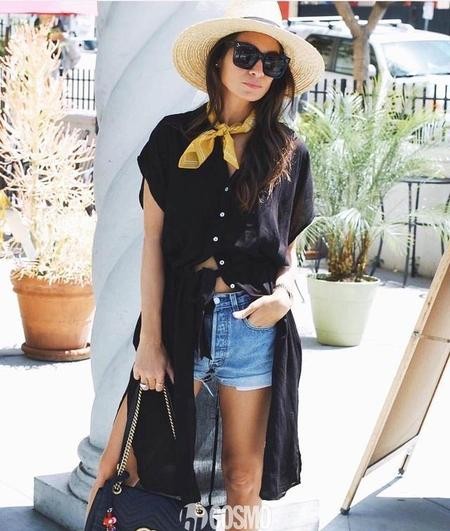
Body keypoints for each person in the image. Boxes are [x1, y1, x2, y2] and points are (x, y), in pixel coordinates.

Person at [85, 1, 324, 529]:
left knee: (243, 476)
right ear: (219, 60)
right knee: (124, 462)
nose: (257, 70)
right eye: (245, 56)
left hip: (253, 328)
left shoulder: (288, 151)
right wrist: (149, 343)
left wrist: (285, 297)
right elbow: (152, 244)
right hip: (178, 321)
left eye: (272, 64)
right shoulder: (172, 138)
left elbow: (286, 257)